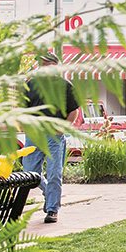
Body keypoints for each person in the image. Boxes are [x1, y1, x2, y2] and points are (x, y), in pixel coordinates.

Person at [22, 52, 81, 224]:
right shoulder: (30, 85)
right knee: (29, 174)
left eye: (47, 64)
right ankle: (49, 193)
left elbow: (74, 111)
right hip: (33, 134)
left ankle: (52, 209)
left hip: (54, 136)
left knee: (54, 173)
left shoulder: (64, 85)